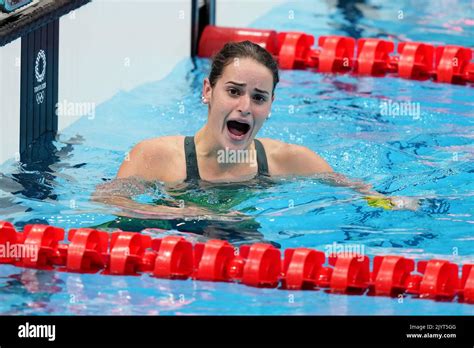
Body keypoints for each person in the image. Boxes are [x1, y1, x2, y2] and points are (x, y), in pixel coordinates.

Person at [93, 40, 418, 229]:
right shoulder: (156, 156)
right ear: (208, 91)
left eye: (259, 97)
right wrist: (197, 214)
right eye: (234, 91)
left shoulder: (288, 159)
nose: (245, 106)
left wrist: (391, 203)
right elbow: (108, 201)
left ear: (271, 105)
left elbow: (355, 189)